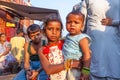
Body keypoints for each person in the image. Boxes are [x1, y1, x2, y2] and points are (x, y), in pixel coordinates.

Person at [73, 0, 120, 79]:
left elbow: (80, 25)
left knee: (88, 65)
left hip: (95, 43)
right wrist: (115, 22)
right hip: (113, 50)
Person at [38, 16, 81, 80]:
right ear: (44, 31)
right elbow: (48, 69)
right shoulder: (42, 50)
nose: (54, 32)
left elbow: (83, 59)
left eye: (57, 29)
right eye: (50, 29)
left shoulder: (67, 44)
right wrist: (71, 64)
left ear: (61, 32)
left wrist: (86, 71)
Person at [62, 11, 91, 80]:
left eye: (76, 22)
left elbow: (87, 55)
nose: (72, 24)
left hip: (76, 69)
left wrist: (86, 72)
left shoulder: (82, 38)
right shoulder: (67, 36)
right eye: (69, 22)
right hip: (66, 66)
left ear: (82, 25)